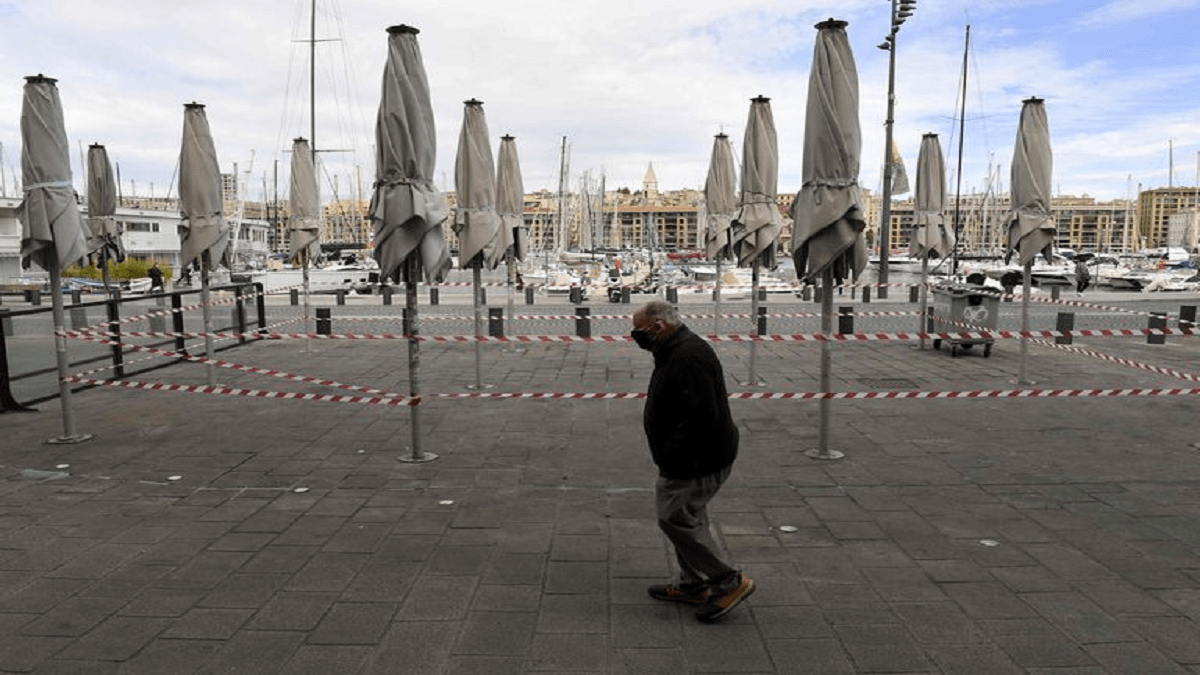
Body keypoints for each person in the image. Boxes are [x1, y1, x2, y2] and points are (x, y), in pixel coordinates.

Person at [630, 300, 754, 621]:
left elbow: (702, 416)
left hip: (695, 459)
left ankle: (727, 581)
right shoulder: (676, 349)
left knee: (673, 518)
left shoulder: (688, 355)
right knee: (688, 518)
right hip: (696, 455)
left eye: (638, 331)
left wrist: (675, 457)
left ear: (658, 327)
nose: (635, 337)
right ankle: (693, 584)